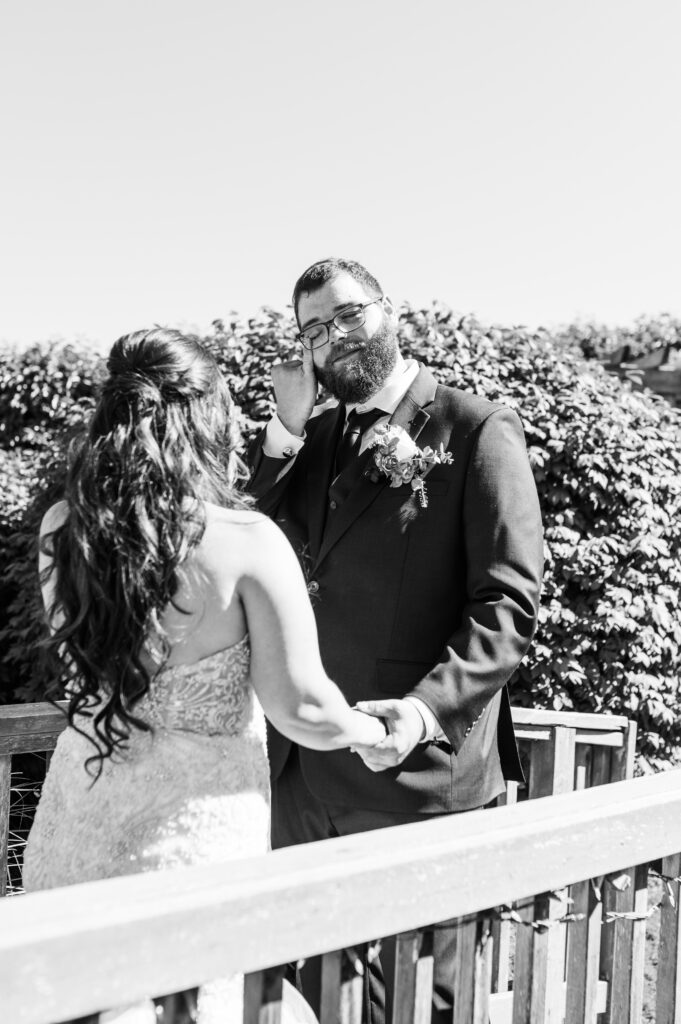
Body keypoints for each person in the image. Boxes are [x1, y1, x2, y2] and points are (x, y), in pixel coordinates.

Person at [23, 328, 386, 1024]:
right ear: (208, 418)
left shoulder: (62, 528)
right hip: (194, 838)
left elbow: (79, 671)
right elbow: (302, 708)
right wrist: (376, 730)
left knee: (72, 995)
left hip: (81, 810)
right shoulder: (245, 542)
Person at [247, 258, 544, 1023]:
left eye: (346, 314)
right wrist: (283, 428)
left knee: (421, 1009)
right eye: (313, 327)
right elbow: (247, 536)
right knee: (310, 1003)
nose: (332, 336)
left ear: (389, 310)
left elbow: (505, 606)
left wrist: (416, 716)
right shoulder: (309, 441)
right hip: (302, 782)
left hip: (416, 782)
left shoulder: (475, 427)